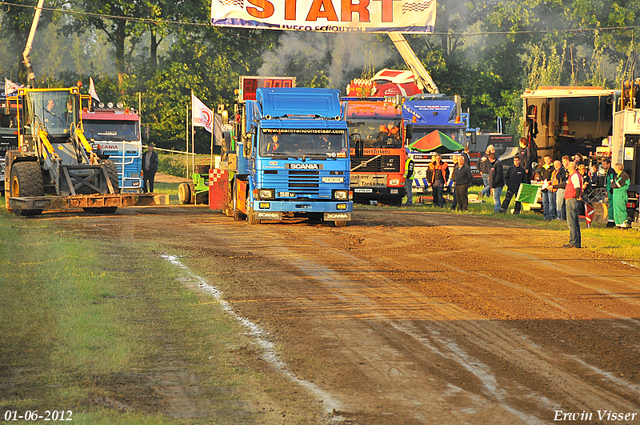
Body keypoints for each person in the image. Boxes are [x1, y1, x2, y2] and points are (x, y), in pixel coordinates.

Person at [563, 162, 583, 248]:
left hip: (572, 200)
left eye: (568, 168)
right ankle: (577, 242)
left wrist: (577, 196)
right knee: (575, 222)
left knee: (571, 222)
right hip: (573, 200)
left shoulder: (574, 176)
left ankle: (573, 241)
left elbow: (577, 187)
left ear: (570, 168)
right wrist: (554, 187)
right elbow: (565, 184)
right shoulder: (574, 176)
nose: (567, 169)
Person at [611, 163, 630, 228]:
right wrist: (613, 184)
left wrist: (613, 184)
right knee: (616, 209)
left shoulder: (624, 175)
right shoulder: (617, 176)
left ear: (618, 168)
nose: (614, 169)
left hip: (621, 195)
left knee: (621, 208)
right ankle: (618, 223)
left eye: (615, 168)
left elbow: (616, 184)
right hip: (616, 195)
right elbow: (613, 184)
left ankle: (624, 222)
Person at [553, 156, 570, 220]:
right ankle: (559, 216)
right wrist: (563, 176)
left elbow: (567, 178)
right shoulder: (562, 169)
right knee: (559, 203)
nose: (563, 163)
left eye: (564, 162)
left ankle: (565, 217)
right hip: (561, 187)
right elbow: (558, 176)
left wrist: (563, 176)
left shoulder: (569, 169)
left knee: (566, 204)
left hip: (567, 188)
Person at [540, 155, 556, 220]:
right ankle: (545, 215)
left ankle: (551, 216)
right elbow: (541, 175)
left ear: (550, 159)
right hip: (544, 186)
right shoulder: (542, 168)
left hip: (550, 185)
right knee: (544, 202)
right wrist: (541, 180)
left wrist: (550, 181)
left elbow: (554, 176)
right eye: (545, 159)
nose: (546, 161)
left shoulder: (553, 167)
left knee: (551, 201)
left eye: (548, 159)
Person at [602, 158, 616, 227]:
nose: (603, 166)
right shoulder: (607, 172)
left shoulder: (611, 172)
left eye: (605, 164)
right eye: (603, 164)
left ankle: (611, 221)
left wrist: (611, 189)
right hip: (609, 191)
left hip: (611, 191)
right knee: (610, 205)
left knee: (612, 205)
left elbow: (612, 181)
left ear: (609, 164)